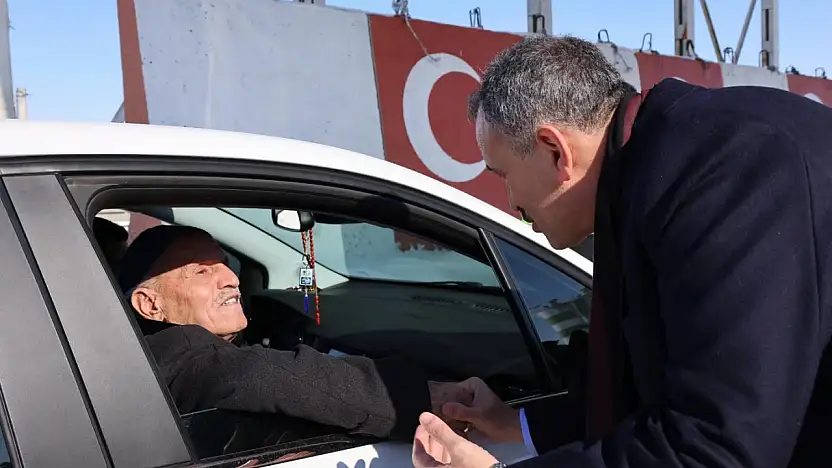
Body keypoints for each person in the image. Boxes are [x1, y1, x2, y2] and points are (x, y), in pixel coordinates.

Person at [412, 35, 832, 468]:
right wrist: (514, 423)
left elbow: (713, 445)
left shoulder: (725, 174)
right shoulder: (659, 168)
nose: (510, 201)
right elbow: (660, 386)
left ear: (556, 151)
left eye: (503, 175)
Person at [116, 224, 470, 442]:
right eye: (201, 273)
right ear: (150, 306)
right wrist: (436, 398)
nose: (230, 278)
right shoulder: (179, 354)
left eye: (224, 264)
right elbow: (252, 373)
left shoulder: (131, 358)